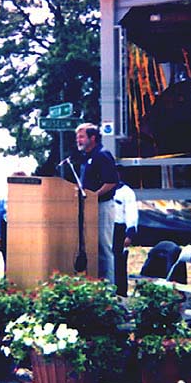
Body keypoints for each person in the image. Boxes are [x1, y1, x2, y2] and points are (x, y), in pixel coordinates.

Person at [75, 122, 118, 283]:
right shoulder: (87, 158)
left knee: (103, 247)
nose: (78, 140)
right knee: (91, 247)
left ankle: (109, 287)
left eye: (81, 136)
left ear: (92, 138)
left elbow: (112, 182)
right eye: (77, 137)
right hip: (90, 208)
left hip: (103, 206)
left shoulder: (102, 155)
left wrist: (93, 197)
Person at [113, 165, 138, 296]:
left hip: (119, 229)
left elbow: (131, 214)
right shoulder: (104, 190)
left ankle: (121, 292)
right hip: (106, 228)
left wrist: (129, 234)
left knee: (119, 262)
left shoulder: (127, 192)